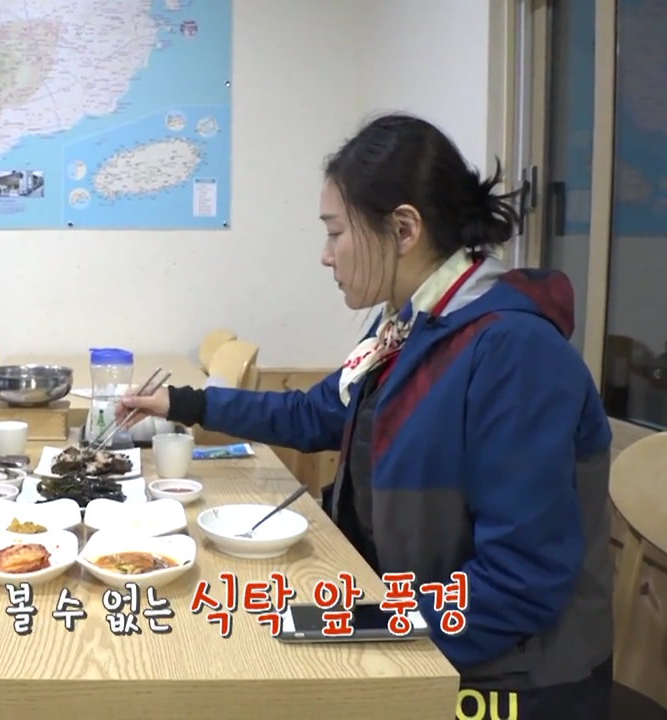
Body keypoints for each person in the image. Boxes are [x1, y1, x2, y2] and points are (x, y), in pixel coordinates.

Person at [117, 114, 613, 718]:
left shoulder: (514, 351)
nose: (326, 256)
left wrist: (353, 622)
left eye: (335, 233)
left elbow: (518, 582)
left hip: (502, 682)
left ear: (403, 228)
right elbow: (316, 413)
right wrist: (184, 404)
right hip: (410, 623)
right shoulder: (406, 325)